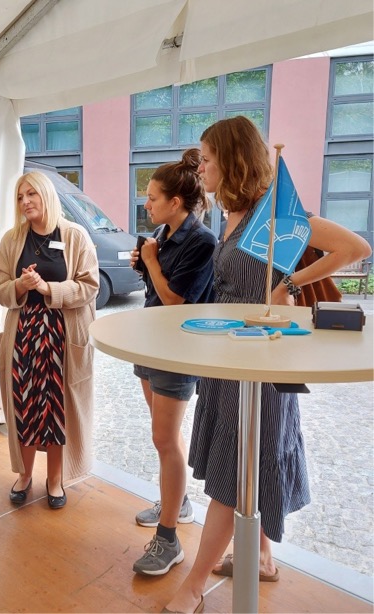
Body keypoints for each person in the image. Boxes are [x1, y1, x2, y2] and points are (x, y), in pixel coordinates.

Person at [164, 116, 372, 613]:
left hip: (263, 361)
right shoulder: (232, 214)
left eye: (209, 159)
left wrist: (292, 285)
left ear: (232, 160)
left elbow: (356, 247)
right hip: (231, 359)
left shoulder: (274, 214)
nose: (202, 169)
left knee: (232, 475)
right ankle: (262, 560)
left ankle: (192, 587)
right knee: (243, 465)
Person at [129, 149, 217, 576]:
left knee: (165, 438)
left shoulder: (202, 242)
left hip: (176, 351)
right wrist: (146, 264)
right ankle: (176, 503)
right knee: (163, 435)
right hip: (151, 344)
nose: (146, 204)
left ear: (175, 202)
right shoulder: (163, 235)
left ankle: (169, 539)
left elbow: (177, 302)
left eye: (152, 198)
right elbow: (157, 291)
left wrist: (149, 262)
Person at [0, 171, 99, 510]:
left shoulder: (75, 236)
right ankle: (24, 475)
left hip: (62, 338)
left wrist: (46, 288)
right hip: (24, 336)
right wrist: (21, 287)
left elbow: (89, 286)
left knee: (57, 412)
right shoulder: (12, 239)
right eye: (21, 196)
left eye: (32, 195)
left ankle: (55, 479)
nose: (25, 202)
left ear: (47, 196)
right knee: (24, 407)